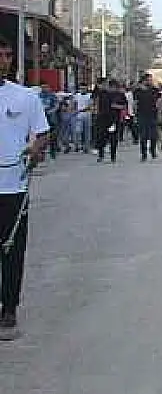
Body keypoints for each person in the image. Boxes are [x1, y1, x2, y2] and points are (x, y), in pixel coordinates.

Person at [0, 37, 50, 341]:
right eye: (0, 55)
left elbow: (42, 133)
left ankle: (9, 308)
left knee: (12, 251)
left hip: (13, 186)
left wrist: (35, 151)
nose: (4, 60)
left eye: (7, 55)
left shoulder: (26, 98)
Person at [94, 79, 127, 163]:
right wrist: (96, 114)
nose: (113, 89)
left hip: (114, 120)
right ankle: (101, 155)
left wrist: (116, 106)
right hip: (102, 119)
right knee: (102, 137)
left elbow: (124, 106)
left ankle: (113, 156)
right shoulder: (102, 94)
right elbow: (97, 104)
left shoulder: (120, 95)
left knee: (113, 138)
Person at [134, 73, 160, 162]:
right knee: (143, 136)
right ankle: (144, 154)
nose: (150, 81)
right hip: (142, 115)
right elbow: (135, 103)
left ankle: (153, 151)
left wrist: (159, 110)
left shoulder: (155, 90)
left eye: (151, 79)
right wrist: (134, 115)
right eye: (149, 79)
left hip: (153, 114)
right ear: (144, 80)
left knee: (153, 135)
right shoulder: (138, 91)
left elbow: (159, 100)